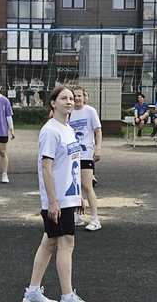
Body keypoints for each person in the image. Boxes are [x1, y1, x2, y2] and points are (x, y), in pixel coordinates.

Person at [22, 85, 85, 302]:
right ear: (53, 103)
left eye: (71, 98)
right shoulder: (50, 131)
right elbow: (46, 168)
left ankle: (32, 292)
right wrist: (52, 202)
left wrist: (79, 197)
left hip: (68, 197)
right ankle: (67, 296)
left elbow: (71, 166)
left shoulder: (67, 128)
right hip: (56, 198)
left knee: (49, 242)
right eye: (64, 98)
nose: (69, 101)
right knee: (66, 241)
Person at [68, 86, 102, 231]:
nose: (76, 98)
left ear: (84, 97)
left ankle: (95, 218)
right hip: (71, 154)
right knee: (75, 186)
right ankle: (79, 215)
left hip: (86, 153)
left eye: (79, 96)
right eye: (74, 96)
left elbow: (98, 130)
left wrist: (98, 148)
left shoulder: (90, 111)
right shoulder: (69, 113)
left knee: (87, 186)